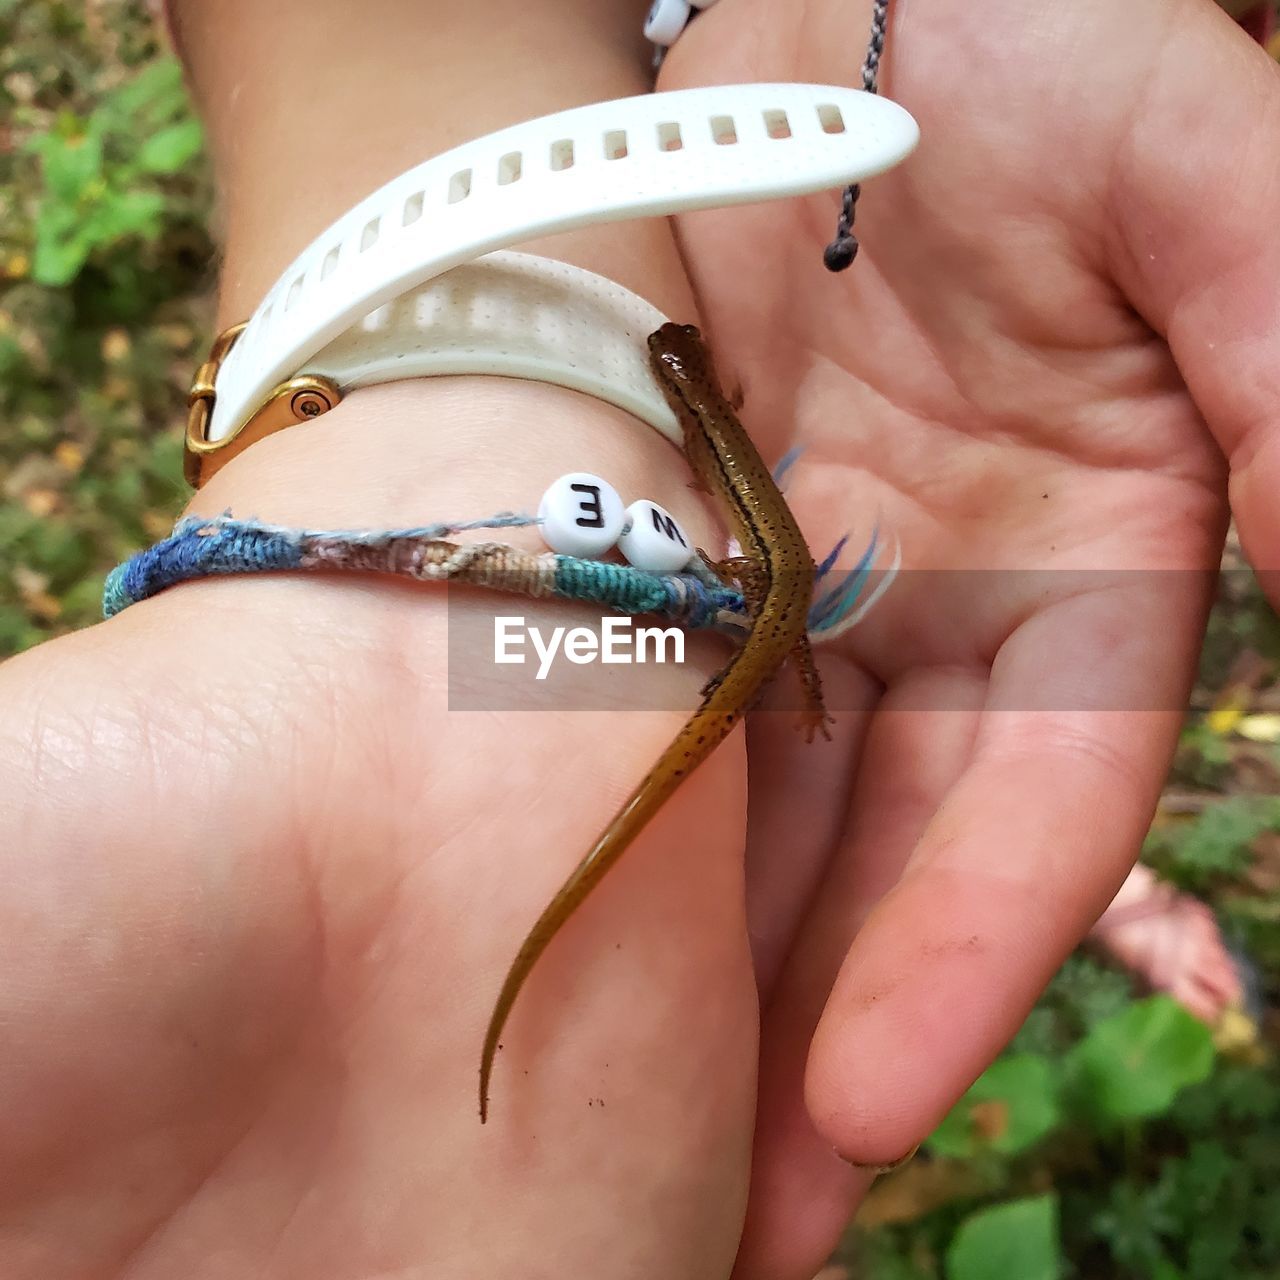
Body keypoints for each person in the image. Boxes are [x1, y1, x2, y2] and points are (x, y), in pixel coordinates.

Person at [1, 1, 1276, 1277]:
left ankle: (810, 702)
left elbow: (701, 407)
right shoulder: (690, 394)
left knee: (784, 651)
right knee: (783, 649)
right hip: (758, 576)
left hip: (768, 582)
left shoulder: (694, 392)